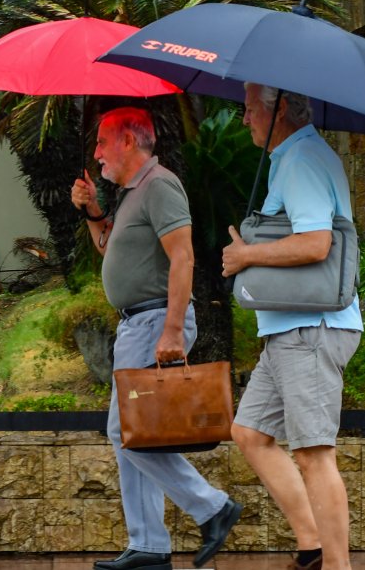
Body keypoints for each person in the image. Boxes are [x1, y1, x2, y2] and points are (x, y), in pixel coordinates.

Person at [72, 107, 241, 570]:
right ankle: (148, 545)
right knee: (134, 434)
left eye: (103, 142)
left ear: (129, 139)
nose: (97, 153)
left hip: (153, 323)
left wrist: (171, 329)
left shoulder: (160, 184)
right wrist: (92, 211)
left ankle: (212, 507)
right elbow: (108, 246)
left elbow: (183, 256)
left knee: (121, 432)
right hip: (135, 323)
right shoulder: (131, 193)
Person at [221, 84, 363, 570]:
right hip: (289, 331)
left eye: (248, 109)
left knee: (314, 454)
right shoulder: (293, 157)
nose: (244, 120)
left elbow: (316, 243)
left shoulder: (301, 159)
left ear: (277, 108)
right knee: (250, 432)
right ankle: (312, 547)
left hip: (310, 330)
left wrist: (247, 256)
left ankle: (337, 566)